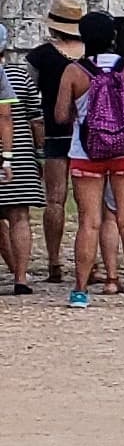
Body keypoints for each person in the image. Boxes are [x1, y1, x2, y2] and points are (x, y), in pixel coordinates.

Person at [56, 12, 124, 307]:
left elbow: (60, 115)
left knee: (89, 222)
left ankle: (80, 291)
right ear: (113, 37)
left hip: (86, 152)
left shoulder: (74, 71)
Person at [28, 0, 84, 284]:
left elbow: (29, 96)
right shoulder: (91, 53)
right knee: (89, 203)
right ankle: (91, 262)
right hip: (89, 134)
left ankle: (54, 262)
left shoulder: (40, 56)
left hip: (54, 130)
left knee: (55, 199)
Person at [0, 32, 40, 292]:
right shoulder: (18, 75)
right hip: (19, 152)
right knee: (20, 216)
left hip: (10, 153)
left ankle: (14, 267)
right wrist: (40, 150)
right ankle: (21, 277)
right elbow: (35, 116)